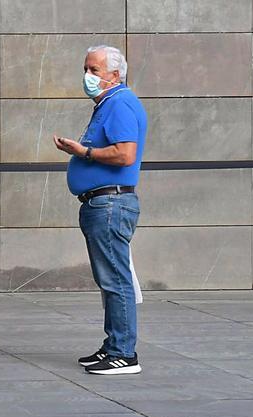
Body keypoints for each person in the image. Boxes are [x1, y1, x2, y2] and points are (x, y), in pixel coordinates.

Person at [53, 45, 147, 376]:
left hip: (110, 204)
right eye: (86, 69)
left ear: (114, 76)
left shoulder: (120, 103)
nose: (88, 76)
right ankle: (113, 345)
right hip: (101, 203)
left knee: (115, 279)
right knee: (109, 278)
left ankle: (124, 352)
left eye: (94, 71)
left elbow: (125, 154)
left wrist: (85, 152)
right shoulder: (108, 104)